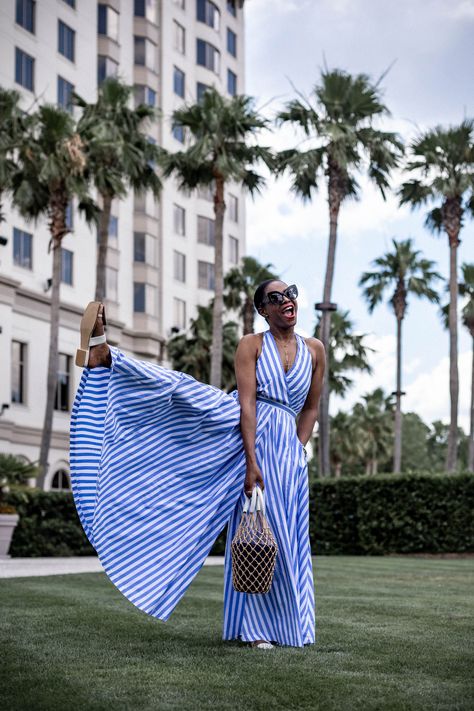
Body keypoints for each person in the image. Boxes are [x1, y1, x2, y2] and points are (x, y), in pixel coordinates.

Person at [70, 280, 325, 649]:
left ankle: (291, 627)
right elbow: (248, 405)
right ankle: (107, 359)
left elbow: (312, 407)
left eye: (291, 294)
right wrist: (252, 461)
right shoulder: (250, 345)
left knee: (286, 539)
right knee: (186, 395)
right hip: (243, 434)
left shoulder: (314, 350)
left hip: (287, 450)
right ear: (263, 310)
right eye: (275, 298)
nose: (286, 301)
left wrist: (297, 452)